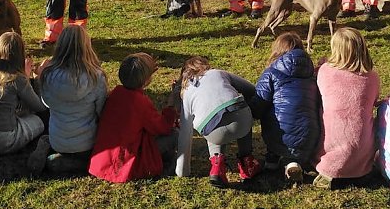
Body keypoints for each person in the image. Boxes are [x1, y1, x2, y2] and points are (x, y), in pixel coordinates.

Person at [27, 25, 108, 175]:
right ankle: (68, 163)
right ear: (86, 46)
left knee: (46, 138)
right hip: (87, 142)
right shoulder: (96, 77)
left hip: (58, 139)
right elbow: (101, 110)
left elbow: (46, 103)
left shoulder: (48, 75)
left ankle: (48, 153)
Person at [89, 53, 178, 183]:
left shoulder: (115, 94)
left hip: (101, 162)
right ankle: (169, 166)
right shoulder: (140, 102)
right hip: (124, 164)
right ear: (146, 80)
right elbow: (162, 127)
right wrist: (172, 106)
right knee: (174, 135)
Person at [174, 56, 261, 187]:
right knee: (238, 109)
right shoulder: (218, 72)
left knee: (210, 118)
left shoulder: (186, 93)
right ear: (205, 66)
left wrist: (182, 170)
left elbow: (185, 133)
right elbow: (250, 89)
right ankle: (246, 162)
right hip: (241, 120)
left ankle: (217, 165)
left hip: (213, 131)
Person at [313, 27, 380, 189]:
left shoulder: (325, 71)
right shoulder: (372, 77)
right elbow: (373, 102)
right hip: (363, 156)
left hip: (331, 151)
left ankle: (329, 169)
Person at [251, 32, 321, 184]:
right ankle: (293, 163)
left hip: (279, 135)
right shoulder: (312, 76)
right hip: (309, 136)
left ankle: (273, 159)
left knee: (274, 112)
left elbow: (259, 105)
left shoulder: (271, 73)